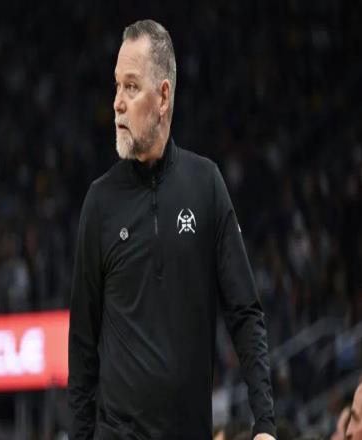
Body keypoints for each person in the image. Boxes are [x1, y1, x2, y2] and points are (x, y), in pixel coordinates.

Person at [68, 19, 276, 439]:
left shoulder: (206, 184)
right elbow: (82, 345)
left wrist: (265, 423)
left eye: (131, 87)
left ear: (163, 97)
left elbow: (244, 313)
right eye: (116, 86)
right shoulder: (99, 202)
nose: (117, 103)